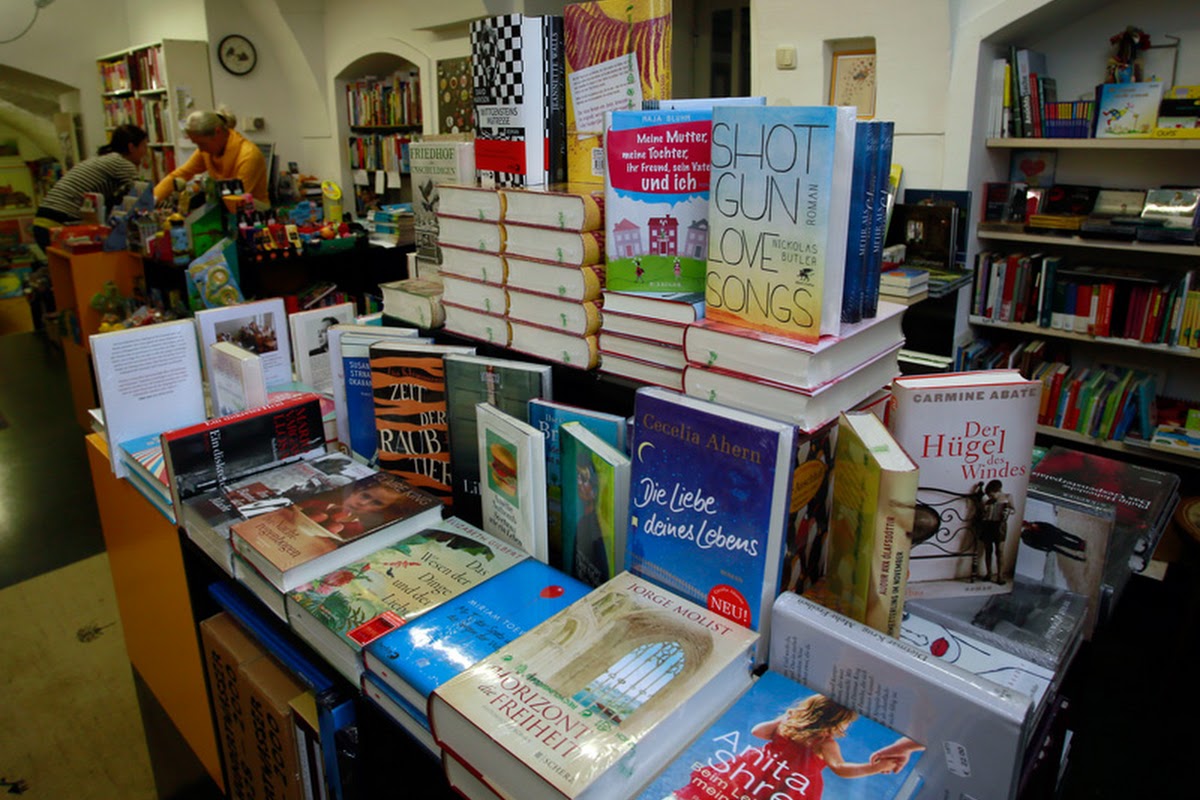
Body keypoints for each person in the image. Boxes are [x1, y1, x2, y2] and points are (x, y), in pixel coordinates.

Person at [665, 693, 911, 800]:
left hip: (754, 772)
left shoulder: (788, 724)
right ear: (837, 722)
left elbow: (757, 731)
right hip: (787, 788)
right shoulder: (825, 743)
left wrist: (784, 719)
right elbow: (841, 768)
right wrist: (874, 768)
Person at [32, 124, 149, 249]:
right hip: (59, 224)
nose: (146, 152)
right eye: (144, 146)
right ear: (131, 147)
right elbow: (143, 197)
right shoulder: (122, 163)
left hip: (43, 221)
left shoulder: (104, 159)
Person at [153, 107, 268, 207]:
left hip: (252, 215)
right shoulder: (206, 151)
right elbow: (180, 175)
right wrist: (152, 200)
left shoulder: (248, 155)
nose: (200, 149)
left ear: (217, 132)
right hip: (222, 208)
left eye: (202, 144)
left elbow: (237, 201)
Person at [977, 479, 1014, 584]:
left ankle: (1000, 577)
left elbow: (1013, 510)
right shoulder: (988, 501)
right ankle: (988, 574)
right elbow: (983, 514)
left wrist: (1008, 511)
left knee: (1000, 551)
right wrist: (984, 512)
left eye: (992, 495)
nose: (990, 497)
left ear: (999, 491)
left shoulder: (1008, 497)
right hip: (988, 525)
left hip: (1000, 526)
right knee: (988, 551)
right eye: (989, 495)